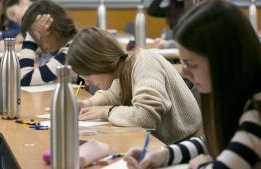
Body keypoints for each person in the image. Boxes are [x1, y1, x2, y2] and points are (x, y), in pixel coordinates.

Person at [124, 1, 261, 168]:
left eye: (192, 64)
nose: (185, 72)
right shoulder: (236, 98)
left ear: (225, 61)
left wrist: (199, 166)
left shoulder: (256, 113)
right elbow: (212, 142)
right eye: (183, 63)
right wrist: (163, 154)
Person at [67, 27, 202, 144]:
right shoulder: (122, 71)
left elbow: (145, 117)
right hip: (167, 142)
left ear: (98, 63)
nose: (86, 82)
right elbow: (112, 94)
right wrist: (87, 104)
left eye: (87, 75)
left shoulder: (144, 62)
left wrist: (106, 111)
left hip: (187, 144)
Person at [19, 0, 78, 86]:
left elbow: (23, 78)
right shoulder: (58, 49)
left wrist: (30, 39)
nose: (40, 45)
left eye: (39, 36)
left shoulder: (71, 52)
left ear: (55, 29)